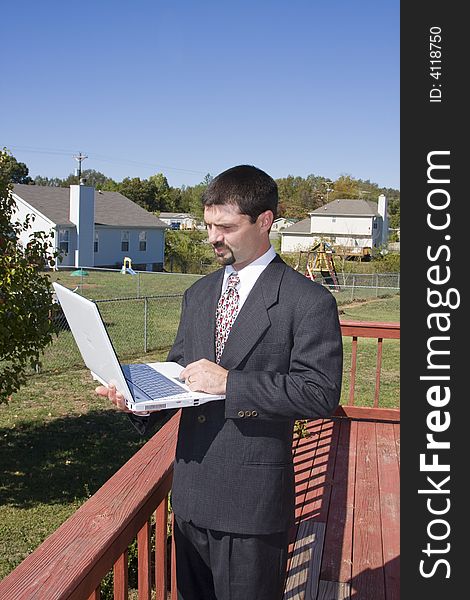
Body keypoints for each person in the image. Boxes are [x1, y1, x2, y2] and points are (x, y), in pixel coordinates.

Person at [96, 165, 343, 600]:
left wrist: (232, 383)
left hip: (251, 506)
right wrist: (138, 400)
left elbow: (319, 392)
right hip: (190, 495)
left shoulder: (308, 301)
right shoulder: (200, 293)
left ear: (264, 221)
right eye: (208, 225)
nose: (213, 237)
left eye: (225, 227)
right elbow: (180, 373)